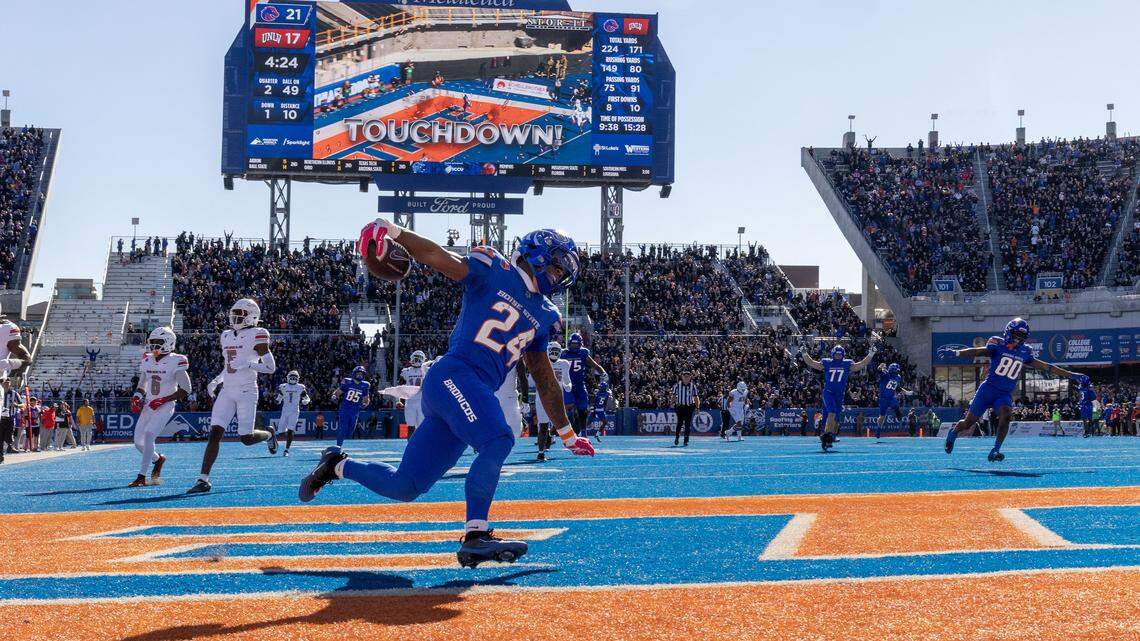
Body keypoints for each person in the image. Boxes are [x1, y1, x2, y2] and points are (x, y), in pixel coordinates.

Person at [300, 222, 594, 568]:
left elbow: (544, 378)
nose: (559, 277)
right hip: (455, 374)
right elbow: (437, 256)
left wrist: (567, 433)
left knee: (405, 485)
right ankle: (476, 535)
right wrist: (395, 232)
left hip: (469, 390)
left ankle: (336, 465)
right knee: (499, 438)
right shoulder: (494, 267)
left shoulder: (546, 314)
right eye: (557, 266)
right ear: (537, 255)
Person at [944, 318, 1086, 462]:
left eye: (1022, 336)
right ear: (1008, 332)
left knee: (1006, 416)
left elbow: (1047, 366)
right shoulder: (997, 343)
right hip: (987, 390)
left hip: (1003, 394)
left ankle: (995, 450)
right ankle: (954, 432)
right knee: (968, 423)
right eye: (1016, 334)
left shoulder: (1025, 351)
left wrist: (1072, 375)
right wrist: (957, 353)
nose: (1018, 339)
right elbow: (979, 351)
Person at [187, 299, 277, 494]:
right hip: (227, 390)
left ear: (252, 316)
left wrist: (250, 364)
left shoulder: (258, 334)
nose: (235, 317)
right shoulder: (226, 335)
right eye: (234, 312)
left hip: (246, 390)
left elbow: (270, 368)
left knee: (246, 438)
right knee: (215, 433)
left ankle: (269, 434)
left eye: (240, 313)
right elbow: (229, 366)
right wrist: (216, 380)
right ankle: (203, 479)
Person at [129, 327, 190, 487]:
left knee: (149, 435)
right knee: (138, 443)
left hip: (166, 405)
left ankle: (141, 476)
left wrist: (163, 400)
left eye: (159, 342)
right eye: (153, 342)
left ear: (169, 342)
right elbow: (143, 383)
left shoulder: (176, 360)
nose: (155, 345)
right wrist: (137, 397)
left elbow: (186, 389)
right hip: (149, 404)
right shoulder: (147, 359)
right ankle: (158, 459)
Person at [797, 343, 875, 451]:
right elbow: (811, 363)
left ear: (843, 354)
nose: (838, 356)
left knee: (836, 417)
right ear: (833, 354)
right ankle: (827, 436)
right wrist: (804, 353)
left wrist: (871, 353)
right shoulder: (827, 362)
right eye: (836, 354)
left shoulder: (847, 363)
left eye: (840, 354)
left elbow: (861, 364)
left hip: (840, 394)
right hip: (829, 392)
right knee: (832, 412)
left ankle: (831, 436)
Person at [527, 341, 572, 461]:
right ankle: (541, 452)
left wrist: (568, 385)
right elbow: (531, 381)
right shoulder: (541, 363)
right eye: (553, 350)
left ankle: (551, 436)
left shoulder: (564, 364)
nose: (554, 353)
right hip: (542, 397)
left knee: (560, 423)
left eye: (557, 351)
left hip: (557, 398)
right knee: (543, 425)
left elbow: (567, 380)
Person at [561, 333, 607, 432]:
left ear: (580, 344)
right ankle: (568, 429)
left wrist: (603, 372)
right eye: (572, 344)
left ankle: (583, 432)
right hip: (567, 384)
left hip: (579, 384)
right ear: (569, 343)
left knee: (583, 409)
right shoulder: (563, 353)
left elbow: (595, 365)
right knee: (568, 407)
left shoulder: (583, 353)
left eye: (576, 344)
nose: (574, 346)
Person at [332, 366, 371, 447]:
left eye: (361, 374)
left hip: (355, 410)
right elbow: (338, 392)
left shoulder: (365, 385)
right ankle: (338, 446)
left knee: (350, 431)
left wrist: (365, 403)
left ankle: (342, 440)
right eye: (358, 373)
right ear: (354, 373)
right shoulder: (347, 381)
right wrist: (334, 395)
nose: (360, 375)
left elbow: (366, 399)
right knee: (342, 428)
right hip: (345, 408)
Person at [275, 370, 310, 457]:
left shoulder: (300, 387)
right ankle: (279, 439)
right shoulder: (283, 386)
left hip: (294, 411)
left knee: (291, 430)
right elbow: (279, 398)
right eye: (292, 376)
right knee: (280, 432)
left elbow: (307, 398)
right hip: (285, 411)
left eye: (295, 377)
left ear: (297, 378)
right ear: (288, 377)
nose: (293, 378)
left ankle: (287, 450)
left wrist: (306, 401)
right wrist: (277, 401)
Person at [875, 363, 912, 440]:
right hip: (883, 398)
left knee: (896, 407)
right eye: (896, 371)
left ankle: (898, 415)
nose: (898, 372)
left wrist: (906, 392)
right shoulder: (886, 374)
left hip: (891, 397)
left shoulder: (898, 377)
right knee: (882, 416)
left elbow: (897, 387)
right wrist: (880, 366)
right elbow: (878, 371)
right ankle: (878, 428)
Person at [401, 351, 429, 436]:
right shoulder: (406, 371)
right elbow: (400, 386)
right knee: (411, 427)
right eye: (415, 358)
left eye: (418, 358)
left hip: (421, 401)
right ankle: (411, 446)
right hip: (410, 401)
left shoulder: (427, 370)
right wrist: (398, 400)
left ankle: (421, 446)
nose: (416, 360)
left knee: (421, 426)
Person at [672, 372, 699, 447]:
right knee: (679, 423)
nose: (686, 378)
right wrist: (672, 403)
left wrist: (697, 407)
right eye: (685, 376)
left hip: (689, 407)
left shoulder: (693, 386)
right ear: (682, 377)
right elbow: (674, 395)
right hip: (680, 406)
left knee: (687, 424)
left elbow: (696, 397)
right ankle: (677, 437)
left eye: (688, 376)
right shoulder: (677, 385)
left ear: (690, 377)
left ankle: (686, 440)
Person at [586, 379, 612, 443]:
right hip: (600, 410)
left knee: (588, 422)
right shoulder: (607, 394)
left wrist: (593, 409)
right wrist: (604, 409)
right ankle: (597, 434)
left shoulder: (598, 393)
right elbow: (605, 402)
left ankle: (581, 433)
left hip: (596, 409)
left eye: (600, 386)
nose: (599, 387)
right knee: (604, 422)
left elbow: (594, 401)